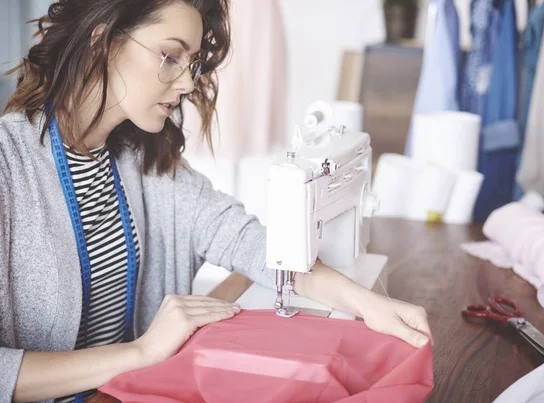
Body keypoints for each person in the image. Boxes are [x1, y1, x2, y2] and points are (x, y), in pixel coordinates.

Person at [0, 1, 433, 402]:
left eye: (192, 63)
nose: (188, 82)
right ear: (103, 42)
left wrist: (371, 305)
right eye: (170, 56)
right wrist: (141, 352)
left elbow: (254, 244)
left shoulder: (146, 166)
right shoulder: (7, 166)